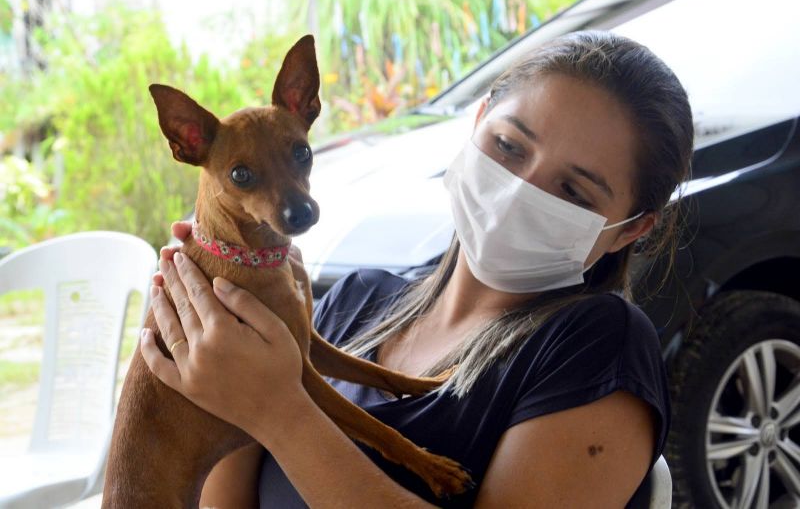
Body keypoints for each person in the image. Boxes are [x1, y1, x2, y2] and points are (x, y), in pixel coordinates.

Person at [141, 30, 693, 508]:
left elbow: (274, 416)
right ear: (476, 124)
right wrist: (215, 348)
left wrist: (278, 412)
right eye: (507, 145)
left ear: (631, 229)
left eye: (572, 190)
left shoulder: (594, 350)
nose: (518, 192)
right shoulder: (355, 301)